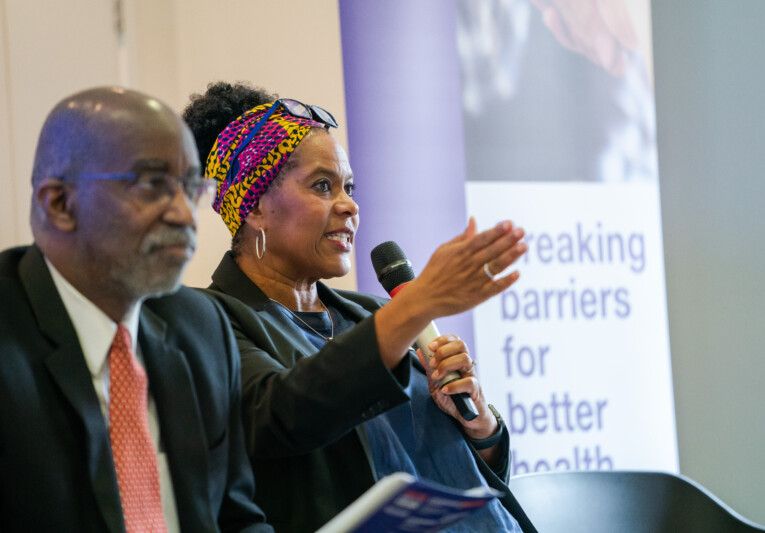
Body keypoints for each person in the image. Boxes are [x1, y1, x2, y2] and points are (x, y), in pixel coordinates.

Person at [183, 82, 537, 533]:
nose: (349, 205)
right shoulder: (210, 320)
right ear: (255, 207)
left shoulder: (370, 313)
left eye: (349, 186)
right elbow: (283, 414)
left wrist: (478, 424)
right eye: (323, 186)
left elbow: (467, 478)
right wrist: (419, 302)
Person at [0, 87, 271, 532]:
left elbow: (235, 519)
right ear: (60, 204)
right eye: (153, 186)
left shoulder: (200, 328)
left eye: (190, 188)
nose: (186, 216)